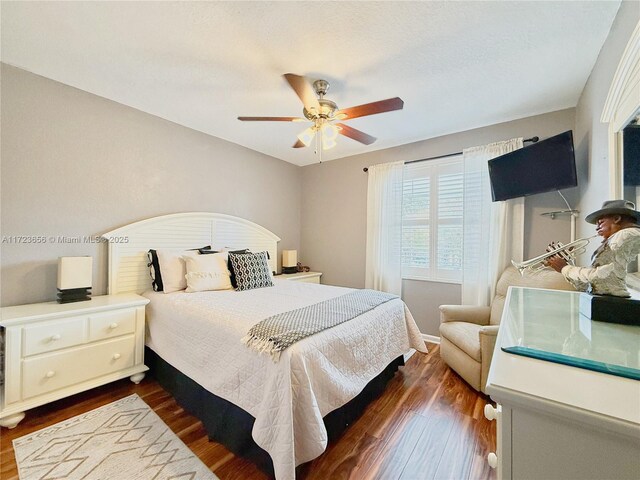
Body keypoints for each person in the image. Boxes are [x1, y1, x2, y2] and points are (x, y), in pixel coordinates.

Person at [546, 200, 640, 297]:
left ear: (616, 219)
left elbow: (601, 276)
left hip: (612, 303)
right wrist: (565, 264)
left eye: (600, 222)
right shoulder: (616, 239)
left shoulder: (626, 234)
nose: (597, 228)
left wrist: (565, 268)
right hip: (604, 301)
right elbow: (589, 285)